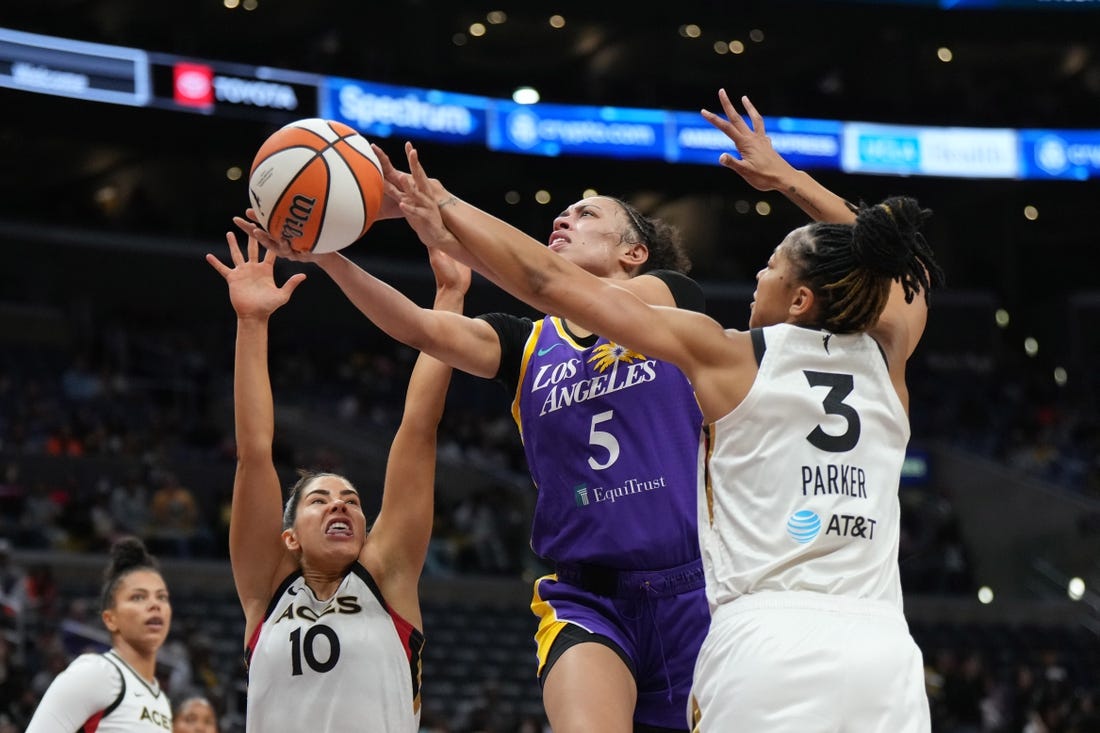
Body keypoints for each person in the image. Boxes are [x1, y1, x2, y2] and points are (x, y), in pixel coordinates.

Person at [233, 90, 856, 733]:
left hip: (697, 587)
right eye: (558, 217)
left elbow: (544, 281)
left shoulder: (673, 302)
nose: (562, 221)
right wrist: (328, 253)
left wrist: (436, 209)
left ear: (634, 252)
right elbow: (420, 327)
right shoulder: (526, 344)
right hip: (588, 596)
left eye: (584, 215)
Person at [384, 92, 946, 731]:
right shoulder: (887, 361)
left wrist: (447, 204)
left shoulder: (730, 358)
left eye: (769, 268)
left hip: (761, 640)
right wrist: (788, 177)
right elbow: (906, 267)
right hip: (882, 652)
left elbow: (547, 284)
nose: (757, 279)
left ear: (798, 300)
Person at [205, 231, 462, 732]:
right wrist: (252, 321)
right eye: (319, 501)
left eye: (351, 500)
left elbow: (417, 428)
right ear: (290, 536)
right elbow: (255, 454)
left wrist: (448, 299)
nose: (340, 506)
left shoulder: (388, 576)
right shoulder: (266, 591)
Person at [25, 536, 174, 731]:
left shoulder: (162, 701)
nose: (155, 605)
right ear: (111, 619)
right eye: (138, 597)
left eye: (161, 596)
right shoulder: (96, 673)